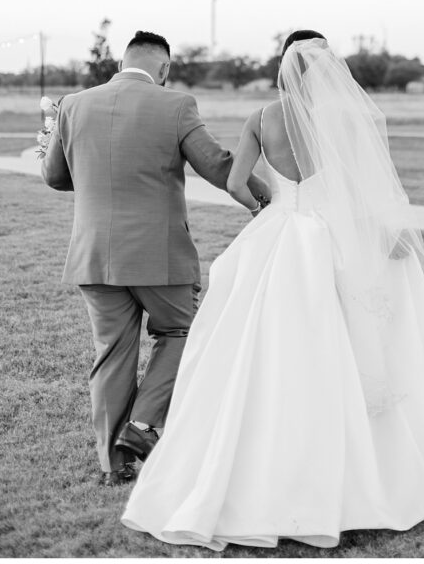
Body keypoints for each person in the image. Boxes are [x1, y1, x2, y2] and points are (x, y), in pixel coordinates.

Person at [122, 30, 424, 549]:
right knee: (343, 349)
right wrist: (384, 234)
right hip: (333, 236)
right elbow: (362, 187)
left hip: (280, 236)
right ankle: (361, 477)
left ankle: (257, 463)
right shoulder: (342, 118)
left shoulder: (262, 118)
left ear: (285, 66)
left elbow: (234, 182)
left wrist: (266, 208)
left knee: (266, 351)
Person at [41, 29, 270, 487]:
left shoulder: (73, 104)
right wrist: (268, 199)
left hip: (93, 255)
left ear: (122, 62)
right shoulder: (176, 105)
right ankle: (142, 426)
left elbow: (54, 176)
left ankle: (113, 466)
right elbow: (219, 166)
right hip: (158, 255)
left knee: (110, 355)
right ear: (163, 68)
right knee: (183, 331)